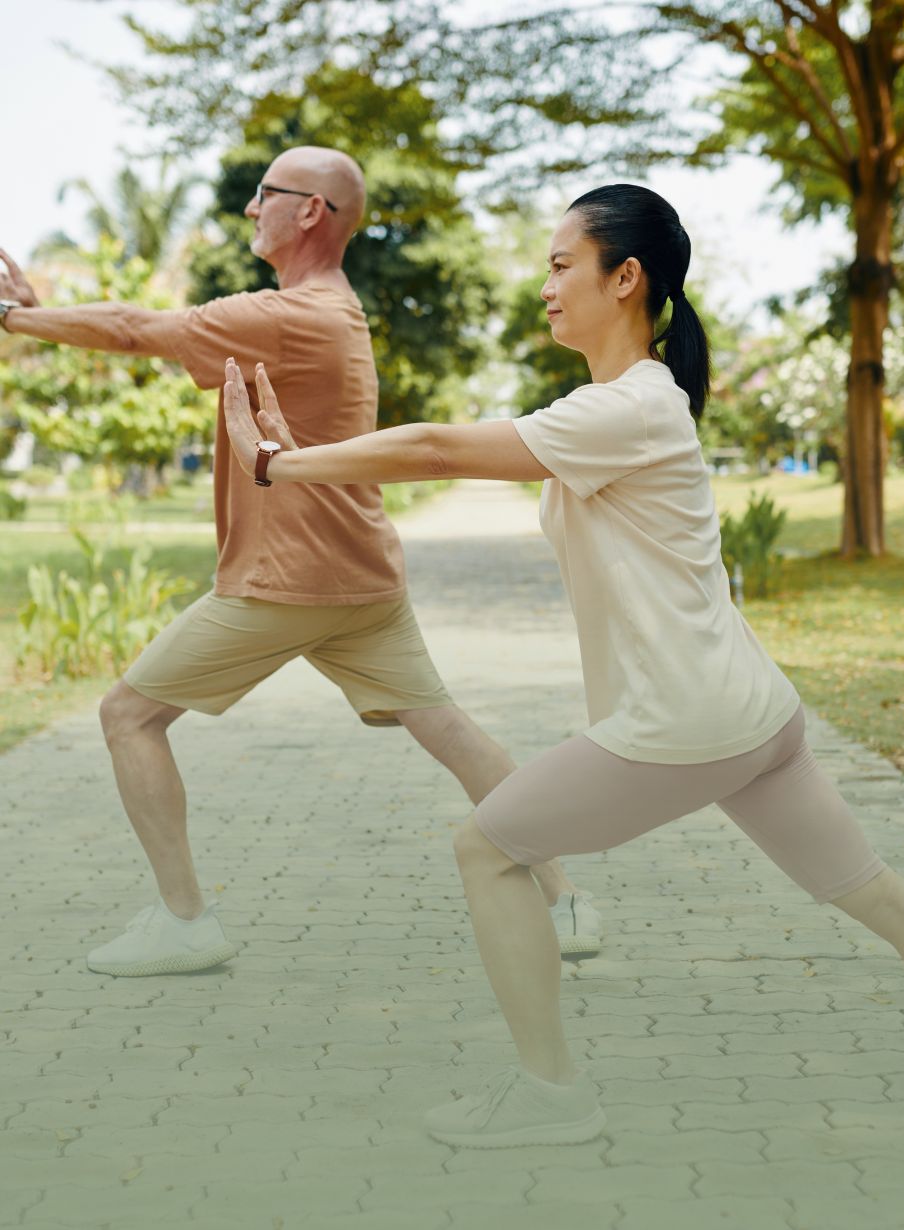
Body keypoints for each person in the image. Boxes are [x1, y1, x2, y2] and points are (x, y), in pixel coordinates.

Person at [223, 181, 904, 1148]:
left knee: (488, 849)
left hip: (689, 723)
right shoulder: (629, 403)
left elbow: (431, 447)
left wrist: (274, 465)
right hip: (754, 712)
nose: (544, 287)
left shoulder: (627, 408)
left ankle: (552, 1097)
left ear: (625, 278)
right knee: (872, 888)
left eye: (559, 265)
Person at [0, 145, 601, 975]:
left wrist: (14, 318)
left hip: (288, 580)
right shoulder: (330, 311)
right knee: (451, 731)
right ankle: (568, 903)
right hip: (361, 578)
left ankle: (185, 923)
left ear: (311, 211)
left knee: (127, 716)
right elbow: (146, 329)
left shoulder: (289, 316)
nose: (250, 209)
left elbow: (139, 330)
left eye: (264, 194)